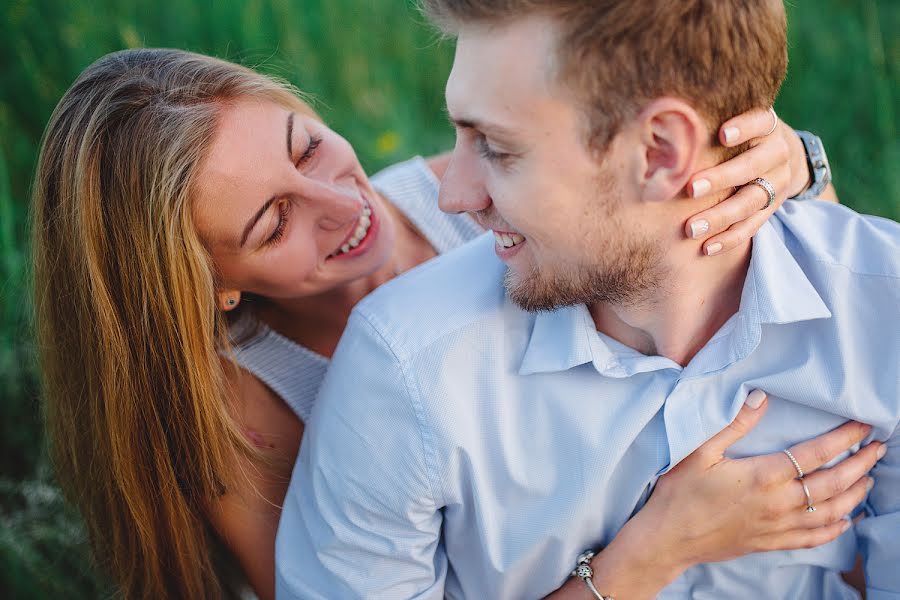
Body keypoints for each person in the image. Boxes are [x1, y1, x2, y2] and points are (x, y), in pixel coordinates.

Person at [31, 47, 862, 600]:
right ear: (211, 288)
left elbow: (801, 300)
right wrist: (654, 551)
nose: (341, 204)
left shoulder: (482, 198)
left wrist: (793, 172)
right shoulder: (240, 413)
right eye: (273, 223)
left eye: (307, 147)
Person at [275, 1, 899, 598]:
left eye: (497, 147)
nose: (454, 196)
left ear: (659, 152)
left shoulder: (881, 306)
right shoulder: (405, 368)